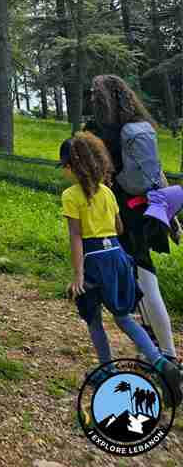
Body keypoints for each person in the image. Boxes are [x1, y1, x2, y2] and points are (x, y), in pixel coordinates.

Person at [59, 133, 181, 400]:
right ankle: (161, 363)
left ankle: (106, 370)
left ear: (72, 166)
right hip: (117, 256)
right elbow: (119, 227)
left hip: (93, 260)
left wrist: (78, 274)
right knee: (123, 318)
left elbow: (76, 236)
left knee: (94, 319)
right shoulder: (108, 193)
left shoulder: (71, 196)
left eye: (65, 167)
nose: (65, 173)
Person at [85, 74, 179, 363]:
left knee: (144, 283)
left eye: (93, 93)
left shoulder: (101, 132)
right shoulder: (140, 126)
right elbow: (156, 172)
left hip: (119, 216)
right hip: (148, 210)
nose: (90, 98)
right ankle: (157, 349)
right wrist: (172, 216)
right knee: (142, 279)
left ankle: (167, 355)